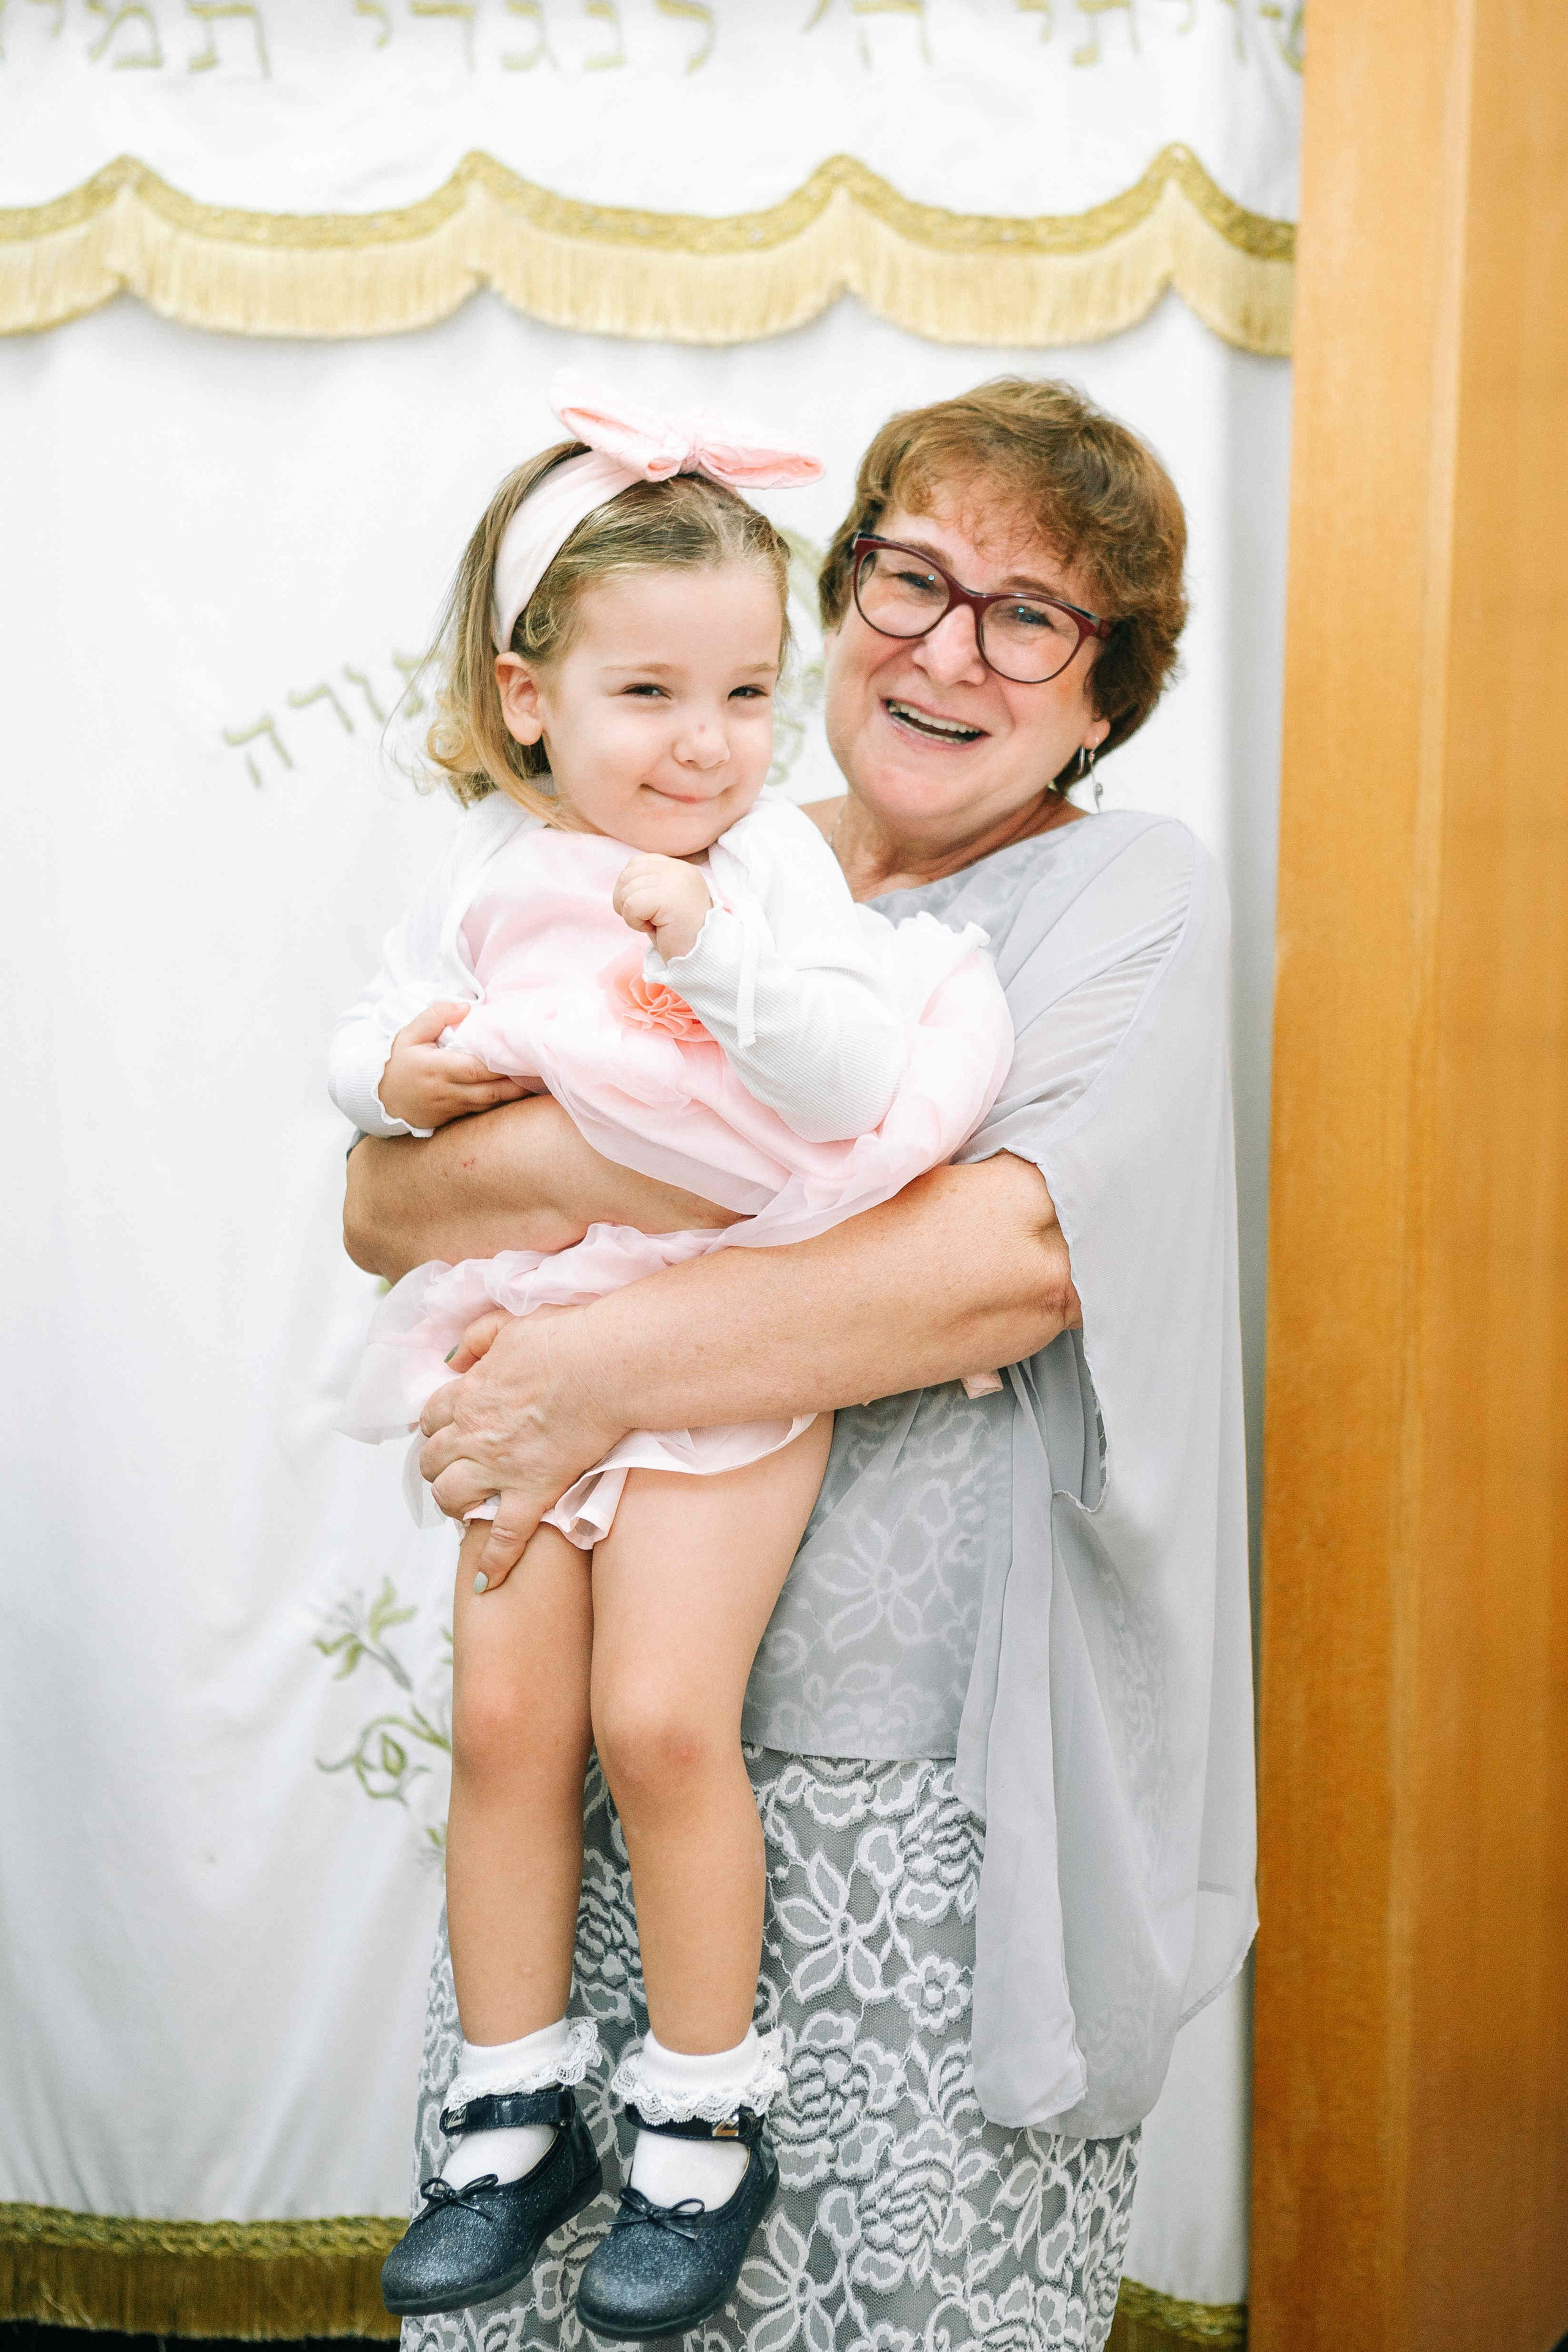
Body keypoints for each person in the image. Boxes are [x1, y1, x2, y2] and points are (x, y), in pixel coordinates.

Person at [345, 377, 1256, 2352]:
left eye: (1032, 616)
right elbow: (387, 1204)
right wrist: (598, 1163)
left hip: (921, 1784)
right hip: (587, 1752)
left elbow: (1007, 1258)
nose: (950, 647)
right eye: (914, 577)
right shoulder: (681, 840)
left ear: (1107, 694)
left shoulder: (1121, 890)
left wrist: (587, 1358)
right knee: (551, 2268)